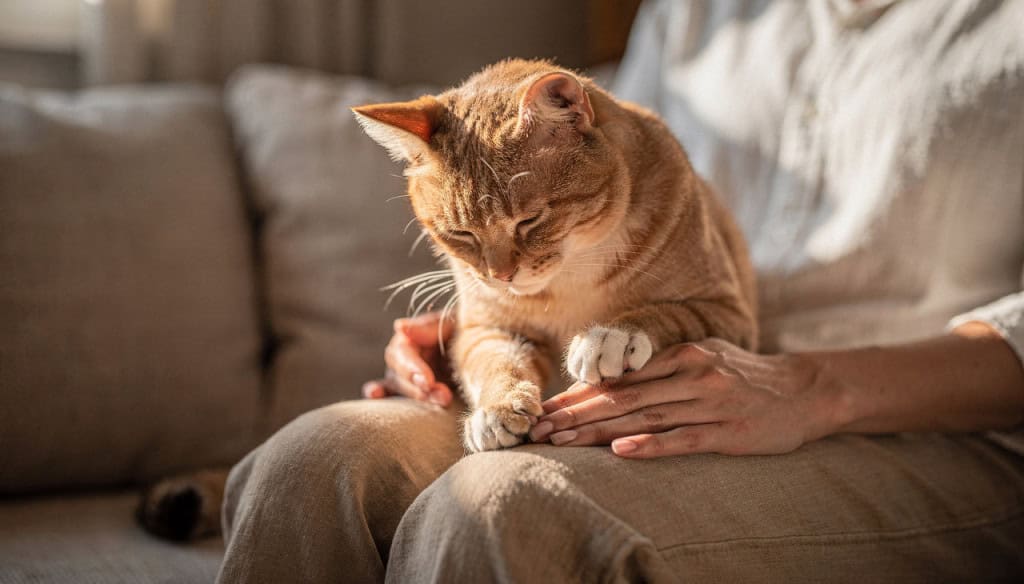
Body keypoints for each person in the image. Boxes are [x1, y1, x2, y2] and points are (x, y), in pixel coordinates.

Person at [217, 1, 1024, 582]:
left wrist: (811, 388)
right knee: (310, 466)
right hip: (647, 371)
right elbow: (601, 158)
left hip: (926, 422)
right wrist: (494, 332)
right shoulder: (694, 11)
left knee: (505, 508)